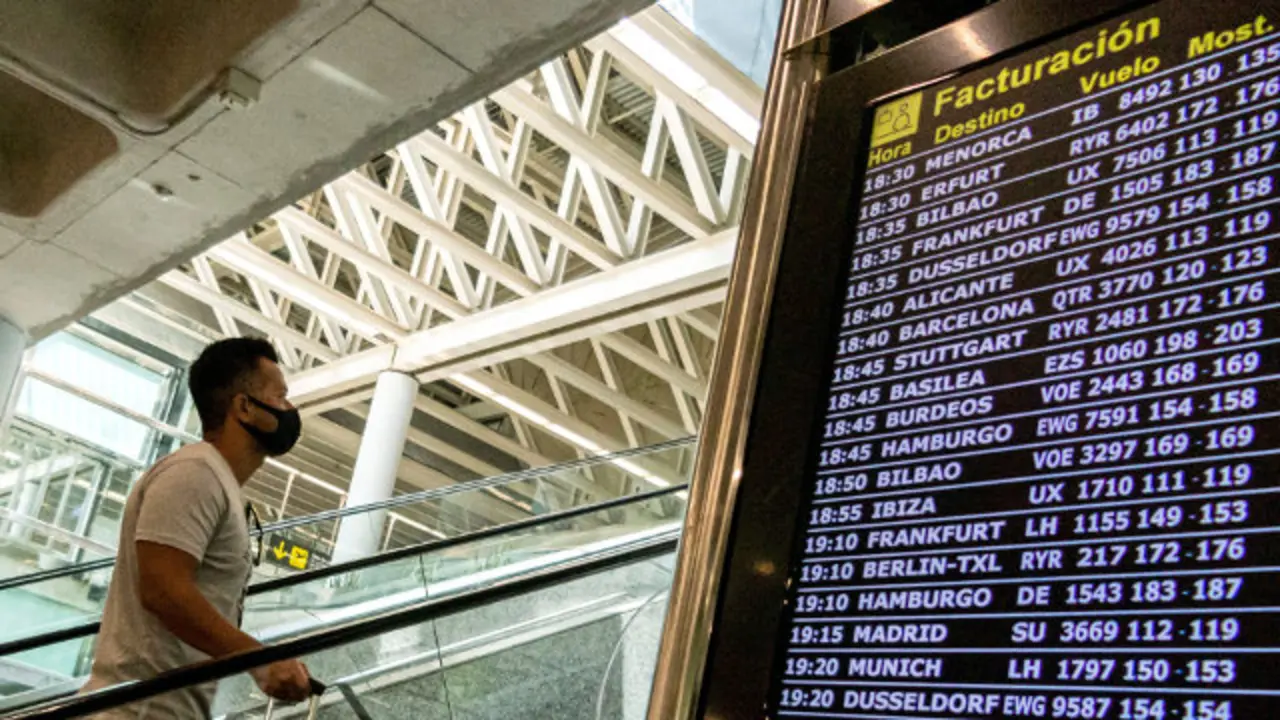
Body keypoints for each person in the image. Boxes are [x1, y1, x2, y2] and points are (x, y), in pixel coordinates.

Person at [84, 338, 313, 718]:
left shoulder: (218, 482)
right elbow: (162, 589)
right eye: (281, 397)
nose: (290, 410)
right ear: (244, 407)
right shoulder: (194, 474)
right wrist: (259, 660)